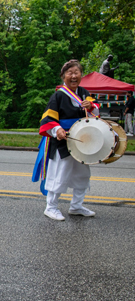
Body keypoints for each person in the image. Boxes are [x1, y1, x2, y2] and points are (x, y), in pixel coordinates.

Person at [32, 59, 99, 221]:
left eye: (77, 72)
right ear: (63, 76)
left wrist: (90, 107)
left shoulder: (84, 93)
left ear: (81, 75)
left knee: (82, 175)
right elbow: (47, 119)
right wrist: (57, 130)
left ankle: (76, 206)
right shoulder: (58, 96)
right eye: (70, 73)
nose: (74, 76)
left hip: (82, 143)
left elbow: (95, 113)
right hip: (63, 141)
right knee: (59, 174)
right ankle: (51, 207)